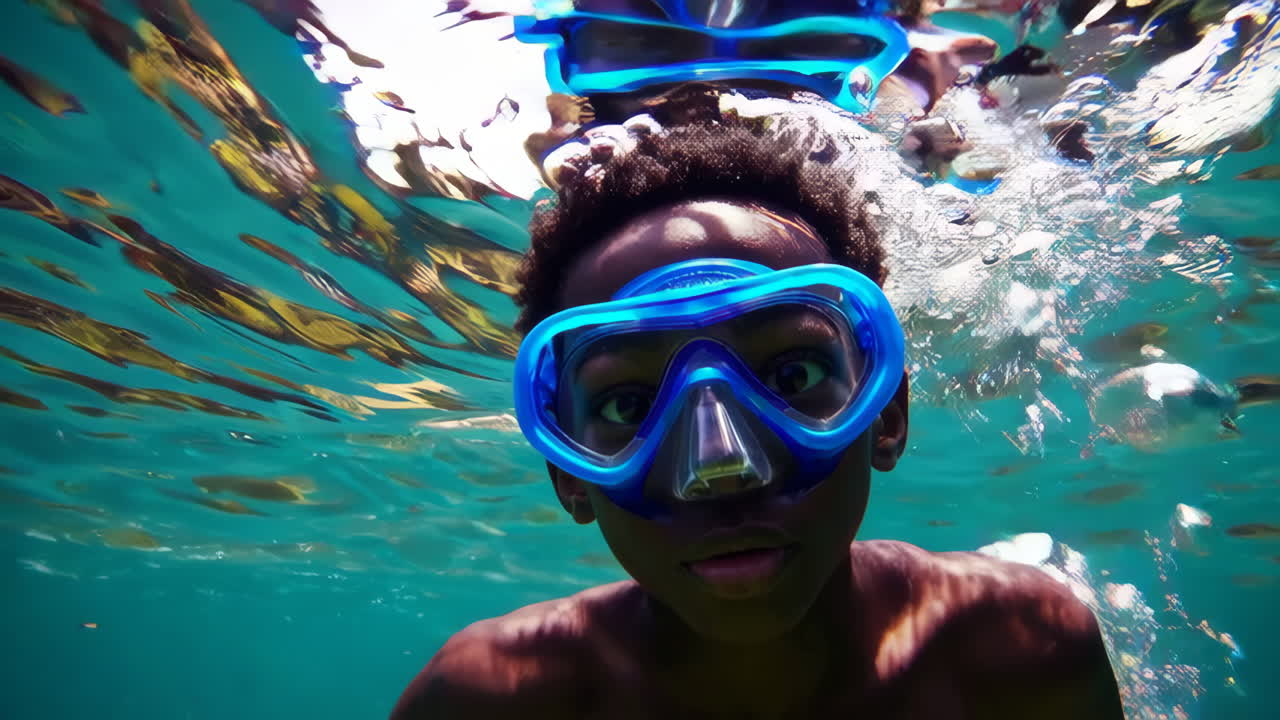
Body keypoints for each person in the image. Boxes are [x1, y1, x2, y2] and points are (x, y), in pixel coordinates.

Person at [388, 88, 1126, 718]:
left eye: (792, 378)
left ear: (888, 413)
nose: (721, 468)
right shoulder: (488, 700)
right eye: (627, 407)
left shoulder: (1024, 649)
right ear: (570, 472)